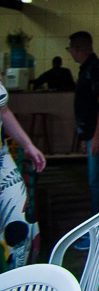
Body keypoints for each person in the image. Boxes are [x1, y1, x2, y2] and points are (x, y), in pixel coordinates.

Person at [0, 79, 46, 271]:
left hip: (2, 160)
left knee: (21, 225)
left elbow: (3, 111)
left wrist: (27, 145)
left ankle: (17, 281)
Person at [67, 31, 99, 221]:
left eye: (70, 49)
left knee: (98, 180)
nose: (70, 53)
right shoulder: (88, 68)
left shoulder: (94, 69)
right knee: (97, 180)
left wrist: (97, 135)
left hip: (98, 132)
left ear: (77, 48)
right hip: (92, 132)